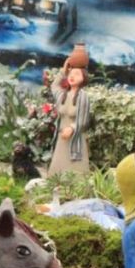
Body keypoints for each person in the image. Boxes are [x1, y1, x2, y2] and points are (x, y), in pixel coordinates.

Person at [48, 43, 91, 176]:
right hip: (62, 139)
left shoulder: (83, 96)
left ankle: (78, 187)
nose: (72, 77)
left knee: (75, 170)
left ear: (83, 77)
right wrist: (63, 70)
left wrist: (72, 128)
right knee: (58, 168)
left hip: (75, 139)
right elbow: (54, 86)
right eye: (71, 74)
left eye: (77, 74)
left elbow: (84, 120)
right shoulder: (63, 95)